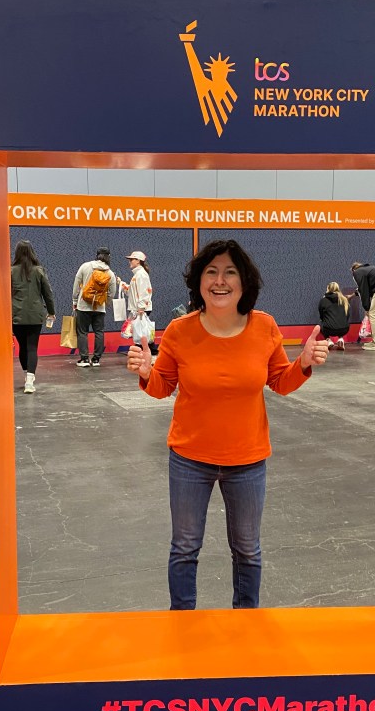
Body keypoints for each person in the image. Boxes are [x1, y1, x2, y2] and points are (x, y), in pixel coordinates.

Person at [127, 239, 330, 611]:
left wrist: (302, 363)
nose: (220, 281)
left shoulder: (264, 326)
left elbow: (280, 381)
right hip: (189, 459)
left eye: (230, 272)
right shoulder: (179, 331)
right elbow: (162, 387)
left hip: (247, 460)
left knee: (247, 550)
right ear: (199, 281)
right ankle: (182, 621)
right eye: (211, 272)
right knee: (184, 548)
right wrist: (145, 372)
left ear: (244, 281)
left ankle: (246, 619)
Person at [11, 240, 56, 394]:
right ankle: (30, 382)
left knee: (22, 347)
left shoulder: (10, 271)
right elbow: (48, 294)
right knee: (32, 347)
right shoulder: (39, 271)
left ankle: (26, 375)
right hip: (35, 315)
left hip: (16, 315)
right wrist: (51, 312)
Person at [72, 247, 117, 368]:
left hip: (83, 306)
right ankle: (96, 359)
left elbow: (76, 284)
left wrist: (75, 300)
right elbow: (112, 292)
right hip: (99, 308)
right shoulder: (110, 273)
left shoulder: (85, 266)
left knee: (82, 332)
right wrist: (105, 302)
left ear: (97, 255)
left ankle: (84, 359)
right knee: (99, 332)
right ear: (108, 257)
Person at [119, 250, 158, 355]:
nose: (130, 262)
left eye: (132, 259)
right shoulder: (138, 275)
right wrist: (121, 284)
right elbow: (131, 292)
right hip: (140, 309)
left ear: (138, 261)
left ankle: (147, 352)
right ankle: (150, 352)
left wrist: (141, 308)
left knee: (141, 332)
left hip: (141, 309)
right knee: (142, 331)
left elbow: (145, 292)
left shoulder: (141, 275)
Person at [318, 281, 350, 350]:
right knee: (340, 321)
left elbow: (321, 316)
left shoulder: (323, 300)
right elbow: (347, 316)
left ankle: (328, 340)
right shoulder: (344, 300)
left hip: (328, 329)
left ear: (328, 289)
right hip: (344, 329)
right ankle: (341, 339)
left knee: (320, 323)